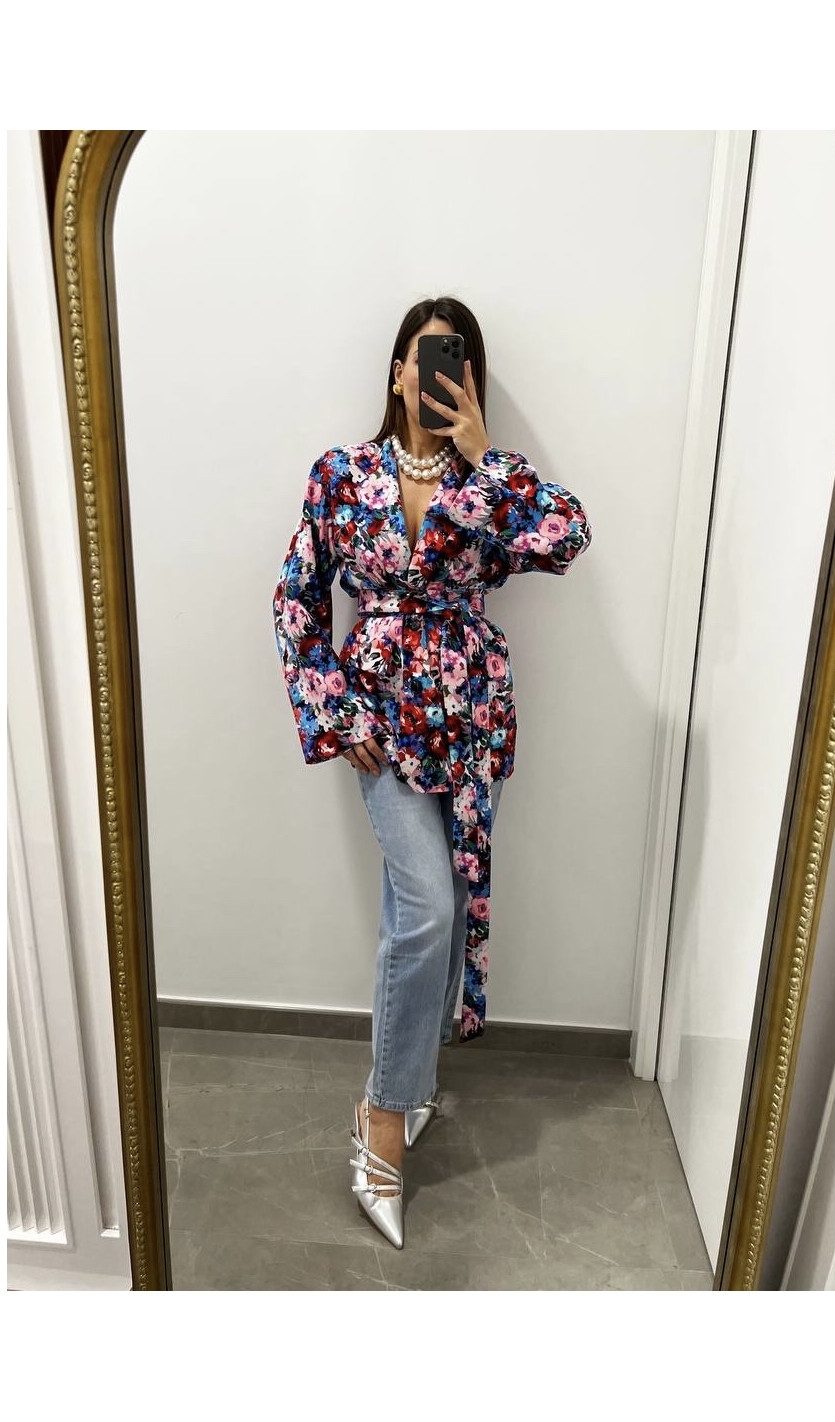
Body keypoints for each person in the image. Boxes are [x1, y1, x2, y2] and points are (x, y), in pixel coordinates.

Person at [272, 296, 592, 1248]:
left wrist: (488, 458)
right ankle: (382, 1113)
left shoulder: (488, 481)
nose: (439, 374)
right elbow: (295, 599)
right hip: (380, 719)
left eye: (458, 362)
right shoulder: (341, 475)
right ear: (397, 372)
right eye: (425, 357)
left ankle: (409, 1083)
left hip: (468, 716)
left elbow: (566, 537)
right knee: (426, 908)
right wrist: (334, 711)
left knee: (436, 908)